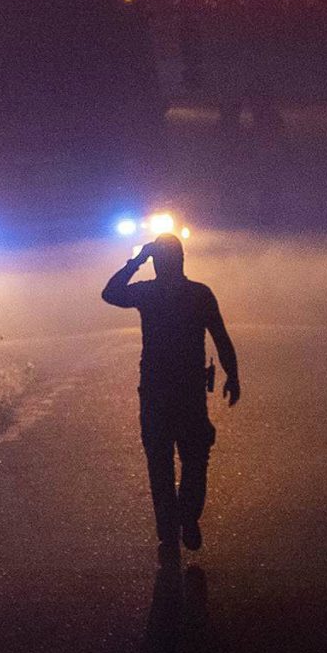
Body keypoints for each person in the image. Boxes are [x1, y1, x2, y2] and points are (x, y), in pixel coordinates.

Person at [101, 235, 240, 559]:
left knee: (160, 463)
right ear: (182, 260)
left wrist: (137, 260)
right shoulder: (198, 294)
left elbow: (110, 293)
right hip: (188, 393)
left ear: (157, 262)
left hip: (156, 391)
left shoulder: (148, 293)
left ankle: (169, 530)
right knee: (194, 461)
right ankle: (187, 518)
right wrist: (233, 376)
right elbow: (221, 338)